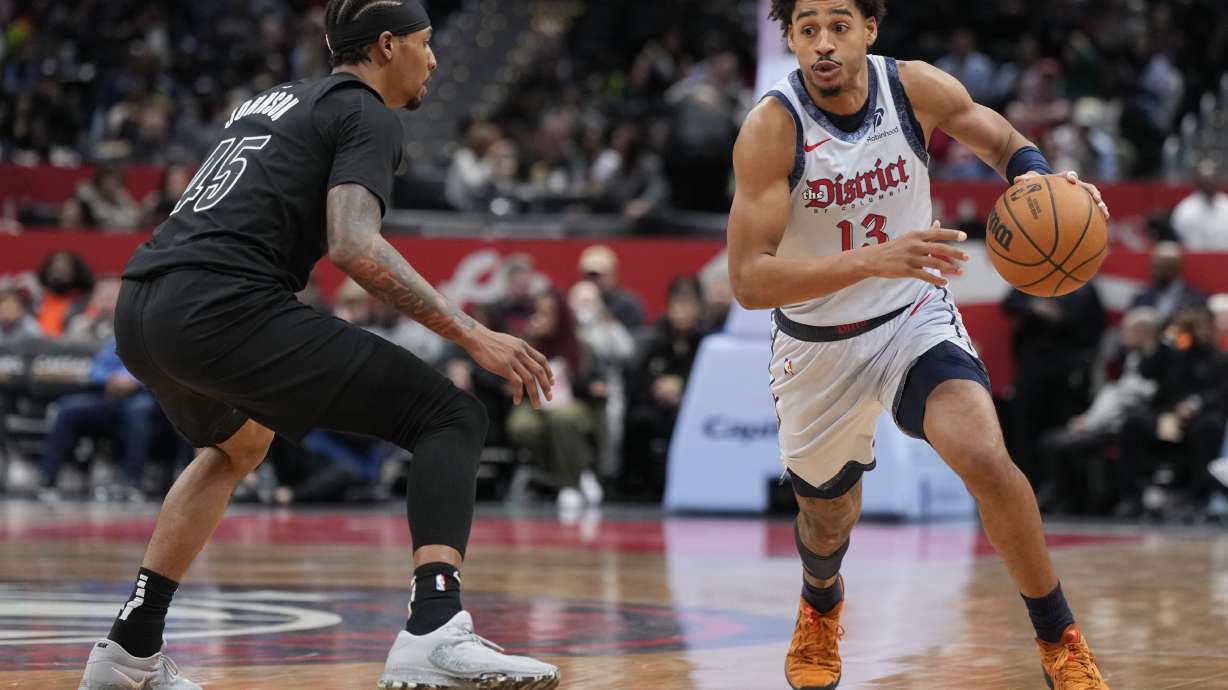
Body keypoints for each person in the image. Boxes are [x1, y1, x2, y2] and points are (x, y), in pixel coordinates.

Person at [75, 3, 560, 689]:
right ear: (387, 46)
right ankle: (434, 627)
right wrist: (474, 334)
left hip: (142, 302)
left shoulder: (273, 102)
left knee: (239, 444)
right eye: (426, 46)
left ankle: (129, 648)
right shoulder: (366, 113)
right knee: (450, 416)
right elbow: (353, 245)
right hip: (221, 304)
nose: (435, 61)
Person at [729, 2, 1112, 688]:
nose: (823, 43)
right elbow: (749, 281)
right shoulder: (771, 128)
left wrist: (1036, 178)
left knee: (985, 458)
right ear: (788, 37)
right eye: (806, 28)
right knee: (826, 520)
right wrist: (871, 260)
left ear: (870, 29)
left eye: (839, 25)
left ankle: (1060, 639)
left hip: (911, 316)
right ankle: (820, 603)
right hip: (816, 344)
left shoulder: (912, 87)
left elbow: (995, 137)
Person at [38, 338, 158, 503]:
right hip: (109, 395)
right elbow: (95, 370)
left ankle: (132, 483)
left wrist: (133, 381)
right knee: (67, 408)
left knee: (138, 413)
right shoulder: (117, 340)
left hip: (143, 394)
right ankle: (47, 480)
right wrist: (110, 380)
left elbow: (161, 372)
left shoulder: (156, 340)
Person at [1130, 241, 1206, 326]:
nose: (1160, 272)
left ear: (1178, 267)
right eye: (1157, 266)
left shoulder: (1196, 299)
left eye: (1166, 266)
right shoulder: (1141, 298)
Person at [1171, 160, 1228, 251]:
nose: (1209, 184)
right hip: (1195, 259)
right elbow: (1181, 239)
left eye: (1212, 180)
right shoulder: (1185, 209)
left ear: (1218, 180)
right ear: (1197, 182)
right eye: (1205, 181)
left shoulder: (1226, 205)